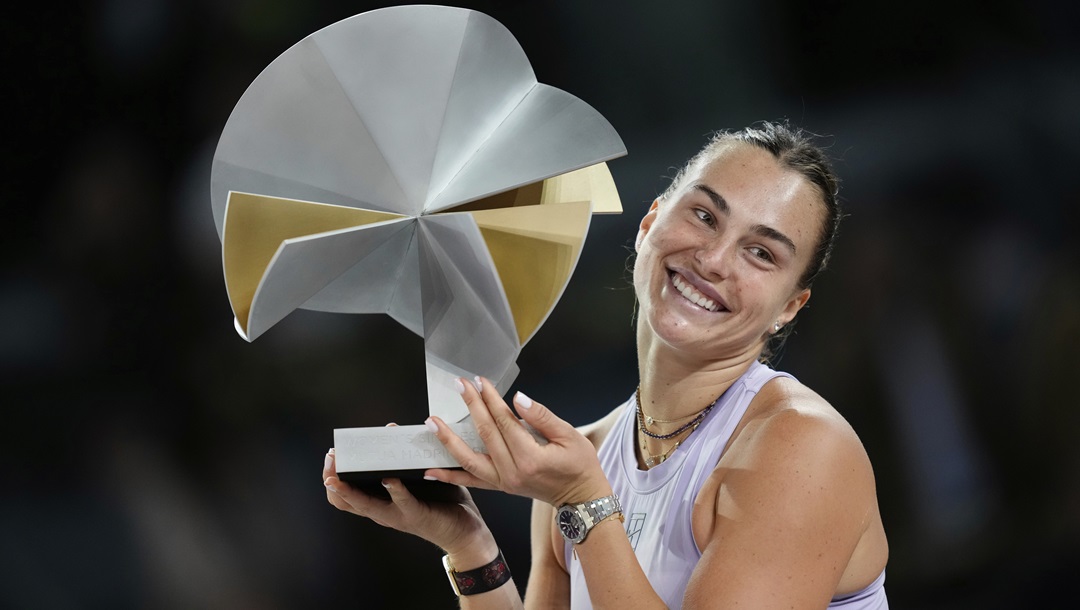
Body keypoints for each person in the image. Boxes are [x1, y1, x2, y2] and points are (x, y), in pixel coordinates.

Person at [322, 121, 889, 608]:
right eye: (704, 216)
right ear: (650, 224)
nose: (713, 259)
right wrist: (469, 547)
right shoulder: (584, 458)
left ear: (789, 307)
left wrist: (583, 502)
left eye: (761, 253)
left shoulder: (803, 446)